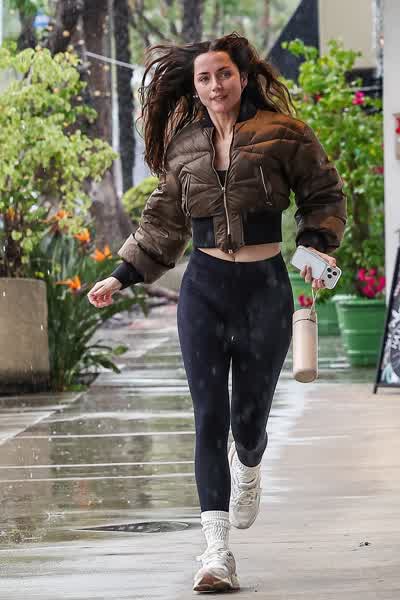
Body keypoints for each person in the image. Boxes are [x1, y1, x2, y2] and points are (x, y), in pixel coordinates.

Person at [87, 32, 346, 593]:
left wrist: (316, 245)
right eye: (204, 77)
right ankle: (215, 553)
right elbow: (163, 221)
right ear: (196, 86)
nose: (214, 85)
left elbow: (323, 194)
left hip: (264, 290)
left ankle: (249, 463)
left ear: (242, 77)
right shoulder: (184, 146)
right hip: (204, 290)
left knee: (248, 422)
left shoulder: (284, 133)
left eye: (223, 74)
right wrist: (122, 275)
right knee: (209, 417)